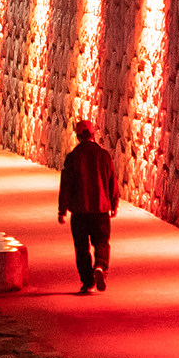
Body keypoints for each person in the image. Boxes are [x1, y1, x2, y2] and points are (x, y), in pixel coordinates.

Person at [57, 119, 120, 294]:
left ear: (78, 136)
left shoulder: (73, 157)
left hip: (79, 210)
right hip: (100, 209)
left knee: (81, 247)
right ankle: (100, 265)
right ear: (93, 134)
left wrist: (62, 210)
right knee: (101, 242)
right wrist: (114, 203)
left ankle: (87, 281)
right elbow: (111, 180)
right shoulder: (104, 155)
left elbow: (66, 185)